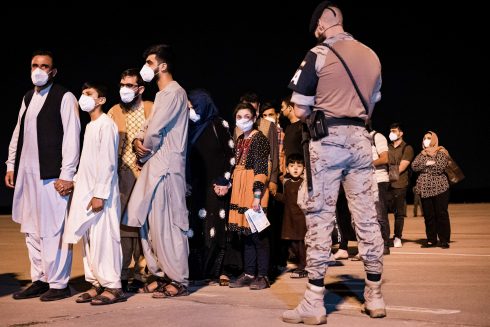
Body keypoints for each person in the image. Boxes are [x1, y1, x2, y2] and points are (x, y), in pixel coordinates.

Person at [283, 2, 386, 323]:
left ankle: (314, 302)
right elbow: (370, 108)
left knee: (319, 216)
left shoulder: (318, 53)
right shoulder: (372, 56)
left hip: (327, 140)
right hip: (360, 139)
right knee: (367, 215)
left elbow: (299, 110)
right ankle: (375, 296)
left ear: (320, 27)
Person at [5, 50, 80, 301]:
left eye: (44, 66)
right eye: (34, 65)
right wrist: (10, 165)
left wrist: (67, 174)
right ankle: (40, 278)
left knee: (53, 229)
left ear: (53, 71)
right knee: (31, 229)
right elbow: (18, 131)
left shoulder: (64, 97)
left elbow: (72, 136)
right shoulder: (28, 97)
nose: (38, 70)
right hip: (27, 174)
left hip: (51, 176)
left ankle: (58, 283)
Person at [123, 44, 190, 298]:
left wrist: (144, 146)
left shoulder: (174, 93)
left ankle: (178, 279)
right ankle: (160, 275)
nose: (146, 68)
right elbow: (148, 128)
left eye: (150, 63)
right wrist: (139, 142)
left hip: (167, 168)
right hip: (155, 166)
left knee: (170, 225)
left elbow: (154, 132)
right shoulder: (162, 95)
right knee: (150, 225)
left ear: (162, 66)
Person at [63, 82, 126, 305]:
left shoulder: (106, 125)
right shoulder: (90, 126)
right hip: (86, 193)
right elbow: (87, 163)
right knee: (88, 241)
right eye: (82, 93)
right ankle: (96, 283)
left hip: (102, 196)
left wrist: (100, 193)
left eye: (89, 94)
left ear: (101, 100)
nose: (83, 97)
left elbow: (108, 163)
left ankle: (113, 286)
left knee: (105, 240)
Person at [107, 68, 153, 292]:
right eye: (122, 85)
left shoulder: (151, 108)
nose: (124, 90)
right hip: (122, 175)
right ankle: (123, 272)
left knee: (144, 225)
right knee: (124, 226)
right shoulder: (114, 111)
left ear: (140, 88)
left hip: (146, 175)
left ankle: (143, 273)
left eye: (130, 86)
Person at [219, 102, 271, 290]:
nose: (242, 120)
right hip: (240, 189)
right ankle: (249, 273)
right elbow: (236, 167)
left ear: (254, 118)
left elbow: (261, 168)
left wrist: (257, 195)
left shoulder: (260, 139)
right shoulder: (240, 139)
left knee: (258, 234)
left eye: (246, 117)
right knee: (246, 234)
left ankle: (263, 275)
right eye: (239, 117)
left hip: (252, 189)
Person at [185, 89, 234, 283]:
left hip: (215, 186)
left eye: (193, 106)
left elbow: (230, 154)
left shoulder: (218, 125)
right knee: (193, 229)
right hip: (193, 187)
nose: (190, 110)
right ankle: (196, 271)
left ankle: (216, 270)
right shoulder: (187, 126)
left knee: (215, 228)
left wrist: (225, 180)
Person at [411, 131, 451, 249]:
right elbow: (414, 166)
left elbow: (439, 167)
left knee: (441, 214)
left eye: (428, 138)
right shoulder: (422, 153)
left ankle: (444, 240)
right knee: (429, 216)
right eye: (424, 138)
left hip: (440, 188)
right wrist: (429, 163)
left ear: (434, 139)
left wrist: (425, 165)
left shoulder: (441, 151)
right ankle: (431, 240)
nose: (426, 140)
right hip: (425, 189)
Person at [273, 154, 307, 279]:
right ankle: (299, 263)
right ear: (287, 168)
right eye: (292, 166)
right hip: (289, 218)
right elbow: (286, 199)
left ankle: (303, 265)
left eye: (299, 166)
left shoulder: (304, 183)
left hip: (301, 218)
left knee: (300, 243)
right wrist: (275, 194)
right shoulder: (287, 183)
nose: (295, 169)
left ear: (304, 168)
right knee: (292, 242)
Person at [387, 122, 414, 248]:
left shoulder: (407, 148)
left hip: (399, 184)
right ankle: (384, 237)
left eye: (394, 131)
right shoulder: (387, 147)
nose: (392, 133)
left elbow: (402, 167)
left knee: (399, 213)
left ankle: (397, 237)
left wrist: (385, 173)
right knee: (382, 213)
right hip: (386, 185)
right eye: (391, 131)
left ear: (401, 133)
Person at [369, 126, 391, 255]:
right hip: (364, 182)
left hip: (379, 180)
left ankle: (385, 244)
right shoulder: (358, 138)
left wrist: (367, 163)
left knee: (380, 214)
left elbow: (385, 158)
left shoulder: (377, 136)